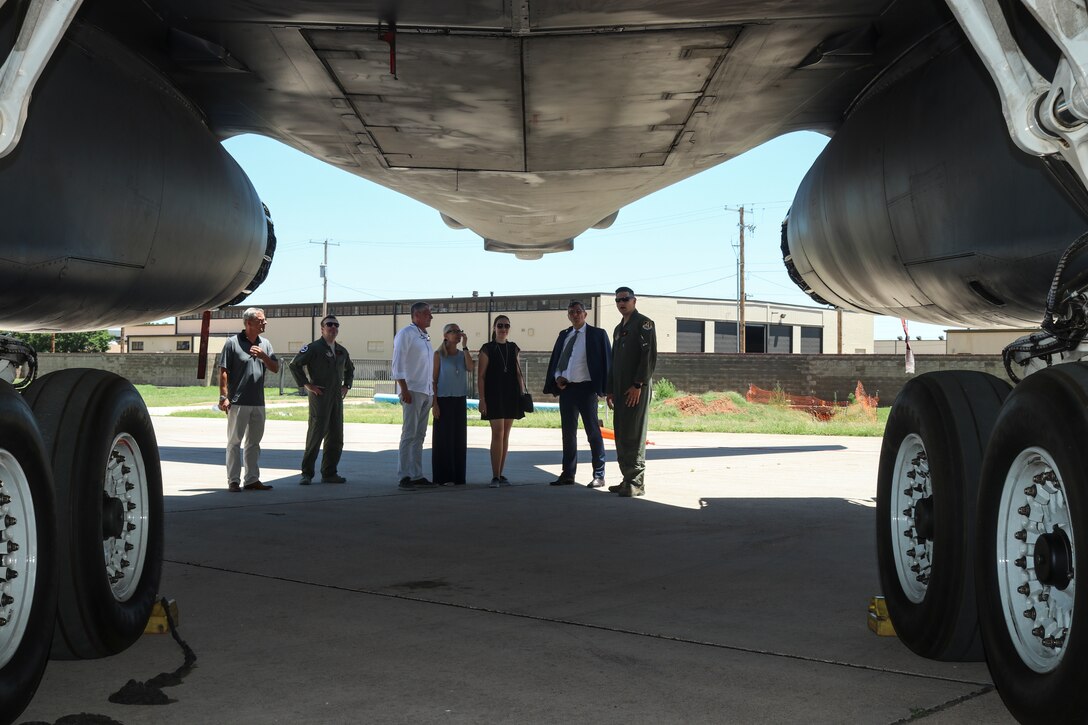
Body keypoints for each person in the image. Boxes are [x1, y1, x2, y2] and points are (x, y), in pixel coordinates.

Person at [543, 300, 611, 488]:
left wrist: (608, 390)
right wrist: (557, 377)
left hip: (587, 389)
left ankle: (599, 474)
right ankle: (568, 473)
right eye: (572, 312)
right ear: (568, 315)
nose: (575, 314)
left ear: (585, 314)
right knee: (568, 434)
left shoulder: (597, 334)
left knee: (593, 432)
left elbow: (608, 362)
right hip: (567, 390)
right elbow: (557, 360)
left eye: (579, 311)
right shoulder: (564, 335)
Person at [218, 307, 279, 492]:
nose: (265, 322)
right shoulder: (232, 343)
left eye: (264, 319)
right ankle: (233, 481)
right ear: (249, 322)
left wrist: (263, 356)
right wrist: (223, 396)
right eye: (261, 320)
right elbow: (223, 371)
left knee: (254, 443)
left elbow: (275, 368)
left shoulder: (265, 344)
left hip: (258, 402)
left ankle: (252, 479)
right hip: (238, 402)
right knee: (234, 442)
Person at [289, 314, 354, 485]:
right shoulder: (313, 348)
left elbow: (350, 368)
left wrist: (347, 385)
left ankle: (329, 473)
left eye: (336, 325)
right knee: (315, 435)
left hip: (336, 398)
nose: (333, 327)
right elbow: (294, 365)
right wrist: (306, 385)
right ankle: (307, 473)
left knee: (336, 437)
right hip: (320, 396)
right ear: (322, 328)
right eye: (329, 324)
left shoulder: (341, 350)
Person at [606, 287, 657, 497]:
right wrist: (610, 390)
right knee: (621, 433)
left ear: (634, 301)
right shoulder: (619, 329)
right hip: (619, 390)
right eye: (618, 300)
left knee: (634, 434)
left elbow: (649, 356)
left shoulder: (644, 324)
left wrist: (639, 384)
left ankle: (636, 482)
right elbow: (614, 361)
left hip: (636, 388)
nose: (621, 303)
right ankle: (627, 478)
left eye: (625, 299)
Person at [392, 302, 436, 490]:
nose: (430, 317)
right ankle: (405, 476)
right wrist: (404, 388)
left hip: (426, 391)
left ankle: (417, 474)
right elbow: (398, 362)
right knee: (409, 434)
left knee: (420, 435)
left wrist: (432, 392)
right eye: (427, 313)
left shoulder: (425, 336)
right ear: (416, 315)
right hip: (412, 390)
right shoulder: (406, 334)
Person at [477, 315, 524, 487]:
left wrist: (521, 394)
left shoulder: (513, 348)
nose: (503, 329)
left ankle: (500, 473)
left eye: (506, 325)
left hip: (511, 395)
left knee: (506, 435)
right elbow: (481, 376)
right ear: (494, 327)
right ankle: (495, 475)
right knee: (497, 433)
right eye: (500, 325)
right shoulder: (487, 348)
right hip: (494, 395)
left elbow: (518, 373)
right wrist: (482, 399)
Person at [432, 323, 474, 486]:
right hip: (443, 400)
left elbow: (470, 368)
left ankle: (458, 477)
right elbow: (434, 380)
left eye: (459, 331)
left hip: (459, 399)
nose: (457, 334)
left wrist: (465, 347)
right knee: (443, 440)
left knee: (458, 439)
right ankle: (442, 476)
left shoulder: (462, 354)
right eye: (453, 331)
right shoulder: (438, 355)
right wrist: (435, 404)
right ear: (445, 336)